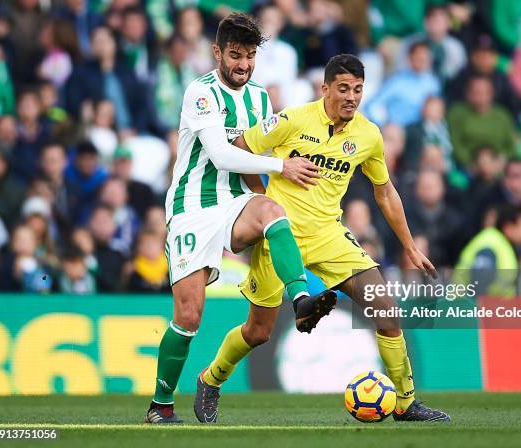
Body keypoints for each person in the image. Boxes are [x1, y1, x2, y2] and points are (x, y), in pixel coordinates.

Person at [195, 54, 449, 424]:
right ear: (325, 88)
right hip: (279, 235)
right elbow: (240, 151)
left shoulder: (368, 135)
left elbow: (384, 191)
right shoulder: (291, 120)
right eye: (343, 89)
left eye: (358, 90)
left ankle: (406, 402)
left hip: (329, 234)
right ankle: (211, 378)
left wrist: (409, 245)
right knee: (258, 331)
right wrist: (260, 199)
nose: (351, 97)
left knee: (386, 310)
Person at [145, 13, 333, 425]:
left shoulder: (260, 98)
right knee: (189, 316)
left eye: (249, 56)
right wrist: (283, 166)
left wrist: (271, 206)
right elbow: (221, 153)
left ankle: (300, 299)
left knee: (272, 212)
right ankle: (160, 406)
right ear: (217, 53)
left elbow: (251, 160)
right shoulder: (200, 93)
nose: (243, 64)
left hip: (235, 201)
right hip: (192, 208)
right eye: (235, 55)